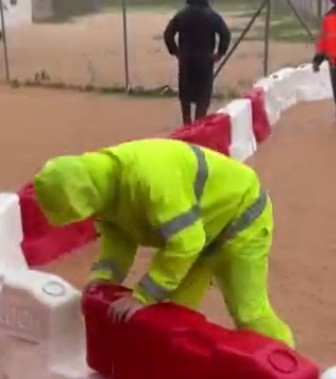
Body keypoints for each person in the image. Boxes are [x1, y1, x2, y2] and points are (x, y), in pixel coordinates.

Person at [33, 137, 294, 347]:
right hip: (202, 231)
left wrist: (144, 296)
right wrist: (103, 279)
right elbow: (118, 242)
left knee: (248, 311)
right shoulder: (104, 191)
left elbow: (186, 242)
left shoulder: (149, 180)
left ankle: (290, 367)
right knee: (172, 314)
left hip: (240, 217)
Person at [163, 0, 231, 125]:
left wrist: (175, 51)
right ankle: (198, 127)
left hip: (186, 61)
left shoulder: (182, 15)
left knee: (185, 99)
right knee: (202, 98)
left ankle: (187, 127)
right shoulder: (212, 16)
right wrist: (219, 53)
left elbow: (168, 34)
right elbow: (225, 34)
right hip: (205, 62)